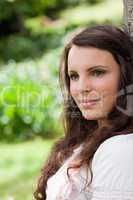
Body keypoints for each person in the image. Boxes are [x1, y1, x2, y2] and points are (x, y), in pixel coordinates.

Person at [34, 25, 133, 200]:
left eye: (97, 72)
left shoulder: (120, 148)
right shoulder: (89, 138)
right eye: (74, 76)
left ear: (126, 74)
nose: (82, 88)